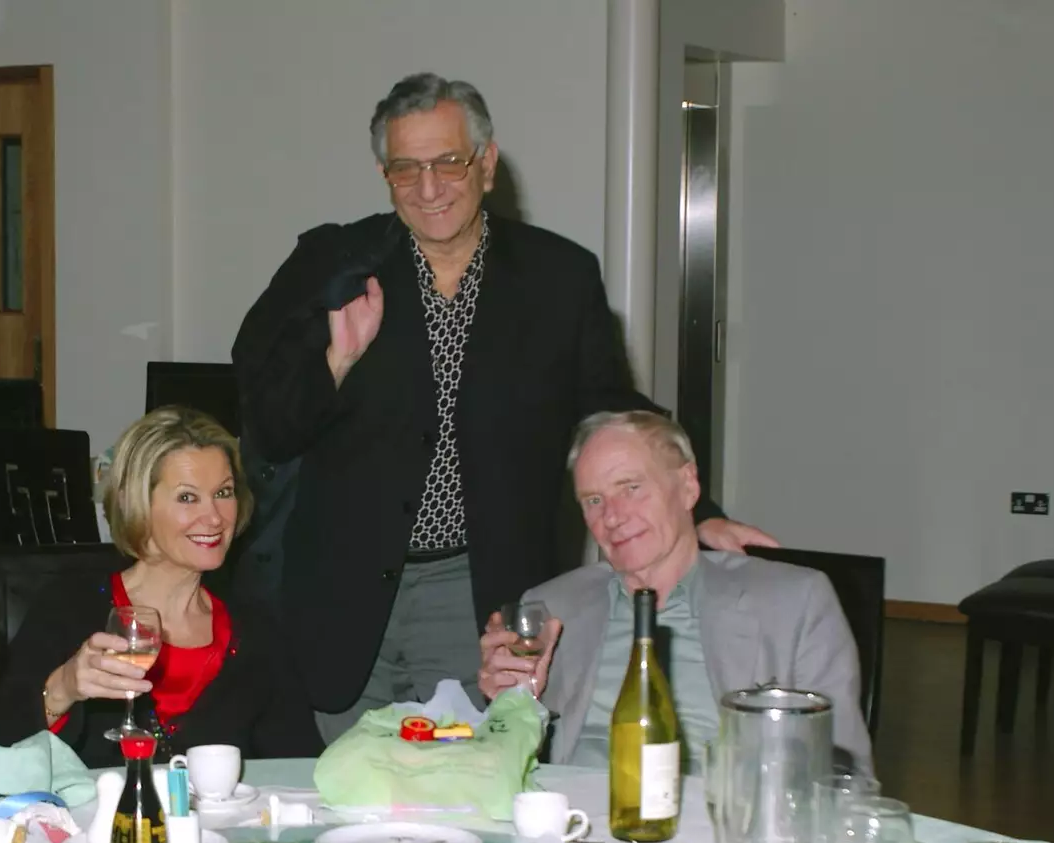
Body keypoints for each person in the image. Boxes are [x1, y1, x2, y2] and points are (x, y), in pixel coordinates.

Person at [233, 72, 776, 741]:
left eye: (448, 163)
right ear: (385, 174)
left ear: (487, 163)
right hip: (340, 595)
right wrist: (334, 365)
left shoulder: (557, 278)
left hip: (477, 595)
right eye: (406, 169)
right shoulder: (334, 266)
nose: (428, 189)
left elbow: (612, 411)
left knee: (464, 798)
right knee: (339, 800)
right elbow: (269, 427)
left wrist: (699, 513)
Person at [478, 411, 874, 775]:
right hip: (575, 831)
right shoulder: (554, 607)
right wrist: (511, 704)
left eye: (631, 488)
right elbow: (507, 763)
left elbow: (839, 772)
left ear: (687, 486)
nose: (612, 517)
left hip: (723, 834)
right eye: (594, 500)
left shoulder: (793, 603)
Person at [0, 407, 323, 768]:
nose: (214, 517)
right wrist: (63, 687)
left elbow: (301, 767)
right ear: (139, 504)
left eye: (223, 492)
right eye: (187, 497)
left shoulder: (256, 631)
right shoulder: (71, 608)